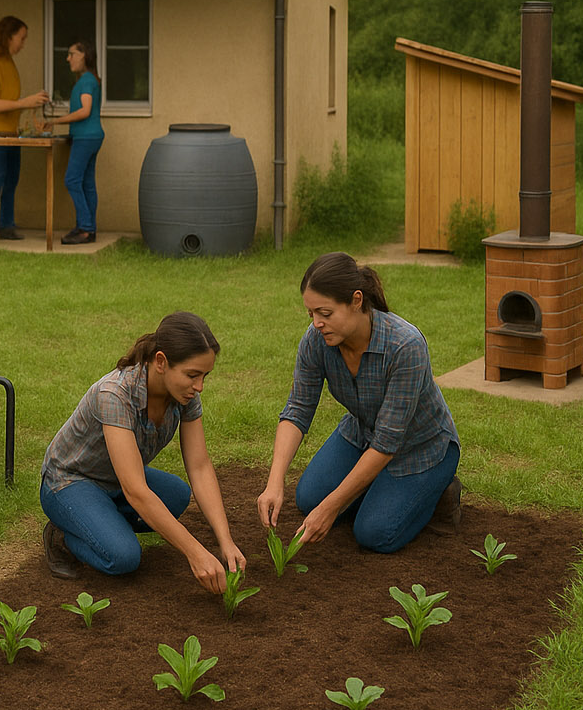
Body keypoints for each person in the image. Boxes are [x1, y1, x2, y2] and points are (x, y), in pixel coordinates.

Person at [257, 252, 462, 554]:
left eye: (325, 313)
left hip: (419, 449)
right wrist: (274, 481)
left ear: (356, 300)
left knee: (374, 533)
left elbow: (388, 442)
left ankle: (441, 492)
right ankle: (375, 488)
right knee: (309, 499)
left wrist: (333, 506)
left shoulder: (405, 346)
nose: (316, 324)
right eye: (311, 314)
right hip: (361, 434)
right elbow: (298, 409)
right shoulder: (316, 341)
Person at [40, 312, 246, 592]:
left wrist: (226, 541)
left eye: (205, 376)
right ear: (161, 362)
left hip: (115, 479)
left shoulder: (184, 396)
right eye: (192, 375)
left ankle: (100, 520)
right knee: (123, 557)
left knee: (177, 496)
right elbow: (136, 490)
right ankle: (63, 535)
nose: (199, 387)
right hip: (69, 481)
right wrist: (195, 552)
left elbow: (199, 466)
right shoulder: (114, 394)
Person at [0, 15, 49, 240]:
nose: (23, 43)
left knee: (12, 179)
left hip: (13, 132)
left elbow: (13, 102)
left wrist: (32, 107)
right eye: (22, 38)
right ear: (8, 37)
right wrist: (24, 102)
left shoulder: (10, 63)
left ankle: (6, 225)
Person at [47, 40, 103, 245]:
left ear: (83, 56)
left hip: (87, 137)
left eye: (71, 54)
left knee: (71, 180)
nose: (68, 58)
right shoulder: (88, 79)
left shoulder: (87, 81)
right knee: (87, 184)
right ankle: (89, 228)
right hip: (91, 136)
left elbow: (85, 110)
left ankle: (86, 228)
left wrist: (54, 121)